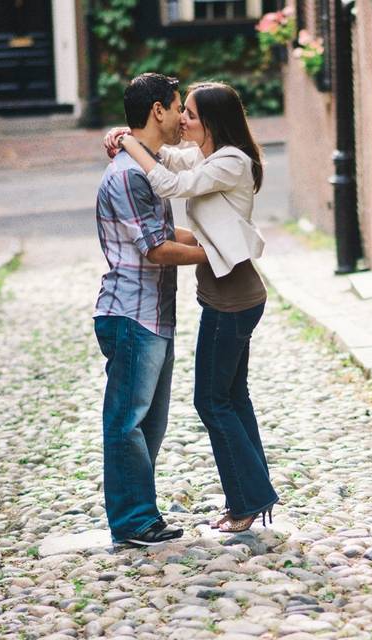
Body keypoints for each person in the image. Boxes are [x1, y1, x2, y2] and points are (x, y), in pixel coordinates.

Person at [104, 82, 278, 533]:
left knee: (213, 401)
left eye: (192, 115)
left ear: (214, 122)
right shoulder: (207, 155)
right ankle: (252, 498)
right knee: (231, 397)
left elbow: (168, 182)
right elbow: (165, 158)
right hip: (227, 292)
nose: (183, 120)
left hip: (232, 294)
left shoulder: (231, 161)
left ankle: (248, 502)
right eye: (182, 112)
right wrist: (130, 137)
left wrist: (127, 142)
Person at [93, 73, 208, 546]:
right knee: (127, 423)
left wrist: (212, 239)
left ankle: (143, 515)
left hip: (153, 315)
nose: (184, 117)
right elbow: (156, 248)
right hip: (130, 316)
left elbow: (166, 232)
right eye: (179, 107)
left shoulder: (144, 166)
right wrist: (217, 255)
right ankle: (133, 522)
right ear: (157, 110)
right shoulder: (127, 175)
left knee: (149, 424)